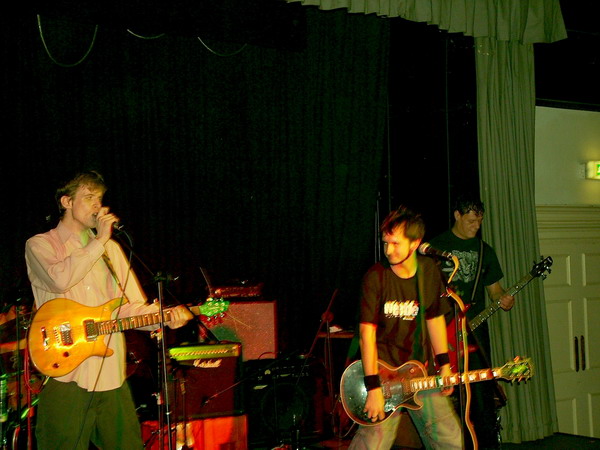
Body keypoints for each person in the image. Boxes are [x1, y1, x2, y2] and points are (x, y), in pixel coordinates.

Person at [24, 170, 193, 450]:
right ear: (67, 202)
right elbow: (60, 280)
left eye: (100, 198)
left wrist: (163, 319)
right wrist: (98, 241)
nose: (97, 205)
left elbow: (128, 308)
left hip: (111, 376)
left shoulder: (111, 250)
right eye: (89, 197)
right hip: (66, 372)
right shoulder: (41, 244)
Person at [348, 206, 462, 450]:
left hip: (421, 371)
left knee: (450, 439)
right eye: (385, 243)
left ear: (415, 243)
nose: (388, 250)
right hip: (384, 375)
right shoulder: (375, 277)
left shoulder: (428, 270)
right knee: (373, 444)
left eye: (395, 243)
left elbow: (434, 319)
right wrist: (373, 387)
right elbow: (367, 335)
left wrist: (444, 365)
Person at [429, 194, 515, 450]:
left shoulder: (484, 250)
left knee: (480, 392)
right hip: (441, 329)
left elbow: (495, 290)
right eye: (470, 221)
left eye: (479, 221)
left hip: (474, 329)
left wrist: (503, 298)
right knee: (440, 393)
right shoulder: (435, 247)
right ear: (457, 215)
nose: (476, 226)